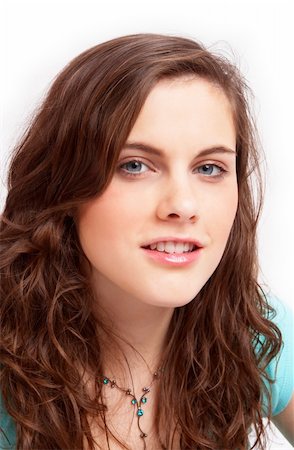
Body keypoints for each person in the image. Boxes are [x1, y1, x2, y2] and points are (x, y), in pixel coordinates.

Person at [0, 33, 293, 450]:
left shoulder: (253, 330)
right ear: (63, 185)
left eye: (209, 168)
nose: (183, 205)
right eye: (135, 165)